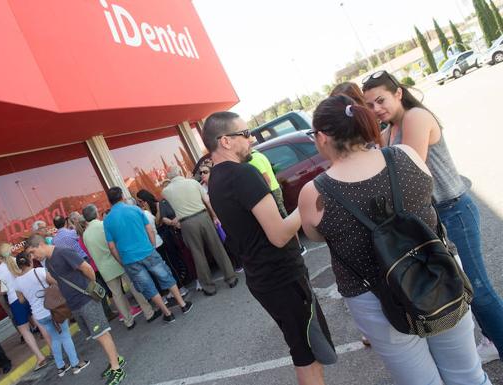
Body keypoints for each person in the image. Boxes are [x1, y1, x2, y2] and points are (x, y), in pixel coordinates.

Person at [298, 95, 490, 385]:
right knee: (468, 374)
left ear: (322, 137)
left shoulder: (315, 192)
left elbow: (314, 234)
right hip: (438, 272)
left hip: (374, 296)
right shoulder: (405, 155)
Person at [362, 70, 503, 363]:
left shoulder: (415, 117)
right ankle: (492, 338)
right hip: (433, 218)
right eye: (370, 105)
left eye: (380, 100)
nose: (376, 109)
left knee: (479, 290)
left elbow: (407, 171)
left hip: (454, 211)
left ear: (398, 93)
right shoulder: (388, 132)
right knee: (463, 287)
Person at [203, 111, 336, 385]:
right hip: (282, 277)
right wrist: (308, 202)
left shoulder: (215, 180)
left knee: (302, 347)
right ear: (225, 141)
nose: (251, 139)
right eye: (245, 134)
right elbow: (278, 234)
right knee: (308, 352)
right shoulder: (242, 174)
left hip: (263, 277)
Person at [25, 234, 127, 385]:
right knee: (97, 335)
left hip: (86, 300)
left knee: (101, 334)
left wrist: (90, 286)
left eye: (32, 252)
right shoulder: (49, 261)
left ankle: (116, 368)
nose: (33, 257)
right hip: (75, 305)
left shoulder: (62, 252)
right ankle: (116, 359)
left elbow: (86, 268)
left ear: (39, 245)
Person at [103, 187, 192, 323]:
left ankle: (167, 314)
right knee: (165, 276)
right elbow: (150, 229)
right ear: (122, 196)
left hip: (129, 259)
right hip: (147, 250)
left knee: (148, 287)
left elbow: (111, 246)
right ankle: (183, 305)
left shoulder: (108, 220)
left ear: (110, 201)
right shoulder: (135, 209)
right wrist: (151, 245)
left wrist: (121, 261)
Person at [162, 165, 238, 296]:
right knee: (217, 248)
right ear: (180, 172)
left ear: (169, 178)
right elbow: (207, 201)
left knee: (198, 255)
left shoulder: (166, 191)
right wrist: (214, 216)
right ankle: (231, 278)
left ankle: (209, 288)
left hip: (186, 223)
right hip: (203, 216)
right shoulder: (193, 183)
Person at [82, 204, 159, 329]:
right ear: (96, 213)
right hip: (118, 260)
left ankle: (128, 321)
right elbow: (114, 243)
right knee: (134, 286)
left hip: (104, 267)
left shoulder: (85, 235)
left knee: (117, 295)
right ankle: (148, 313)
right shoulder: (103, 225)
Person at [14, 253, 89, 377]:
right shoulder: (39, 271)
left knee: (54, 338)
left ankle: (61, 367)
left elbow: (21, 300)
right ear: (29, 262)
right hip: (53, 309)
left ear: (19, 265)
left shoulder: (17, 282)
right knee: (65, 335)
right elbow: (55, 282)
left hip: (39, 314)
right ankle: (76, 364)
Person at [0, 243, 51, 370]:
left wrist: (7, 287)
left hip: (14, 300)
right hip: (27, 295)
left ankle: (40, 357)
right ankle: (53, 348)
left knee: (25, 331)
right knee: (40, 323)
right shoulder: (17, 260)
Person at [135, 189, 191, 287]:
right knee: (169, 260)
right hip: (161, 235)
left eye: (140, 201)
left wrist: (150, 211)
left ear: (145, 199)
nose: (139, 203)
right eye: (138, 202)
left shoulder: (157, 205)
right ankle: (178, 281)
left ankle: (182, 281)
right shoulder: (145, 211)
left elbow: (157, 222)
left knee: (173, 258)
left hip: (166, 234)